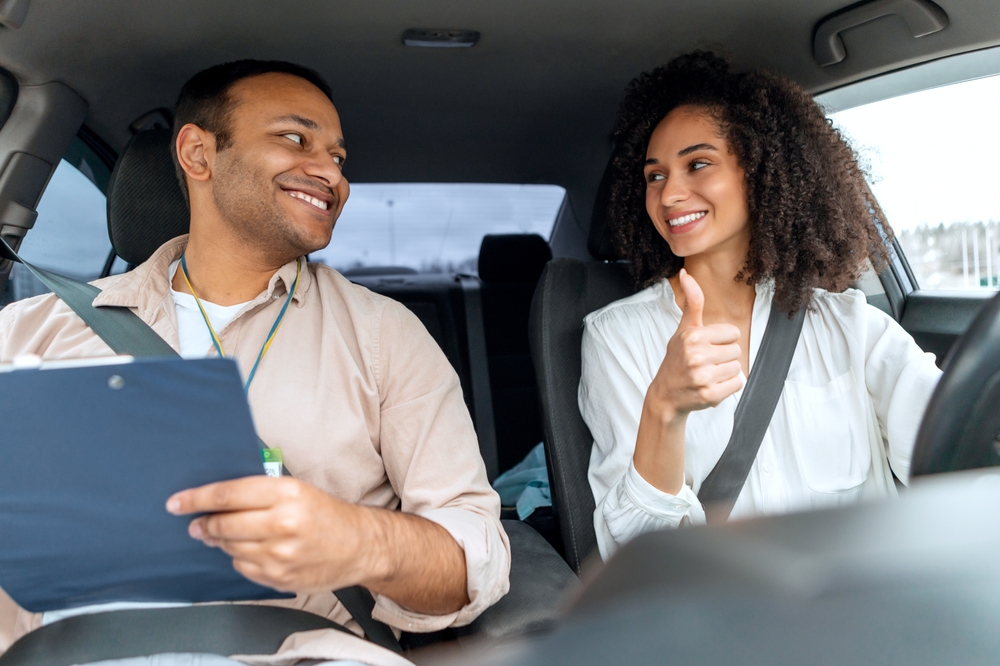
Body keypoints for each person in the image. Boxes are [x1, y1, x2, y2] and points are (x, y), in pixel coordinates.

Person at [0, 60, 510, 665]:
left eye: (339, 158)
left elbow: (474, 552)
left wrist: (356, 541)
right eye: (295, 139)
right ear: (197, 153)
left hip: (295, 651)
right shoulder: (29, 333)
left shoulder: (384, 335)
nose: (331, 174)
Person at [580, 52, 942, 560]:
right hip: (727, 624)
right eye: (655, 176)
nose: (669, 194)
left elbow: (953, 452)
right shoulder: (616, 337)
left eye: (697, 164)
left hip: (869, 613)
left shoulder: (851, 326)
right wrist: (665, 405)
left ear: (759, 169)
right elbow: (635, 555)